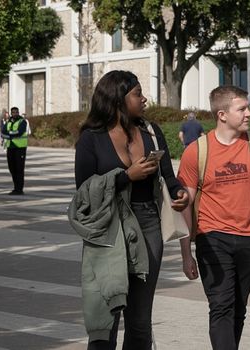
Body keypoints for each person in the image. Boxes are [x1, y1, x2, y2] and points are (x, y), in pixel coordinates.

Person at [75, 70, 189, 350]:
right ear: (117, 99)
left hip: (148, 224)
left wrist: (179, 193)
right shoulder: (91, 138)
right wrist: (127, 176)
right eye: (137, 94)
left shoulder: (151, 132)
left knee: (140, 320)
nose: (144, 99)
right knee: (106, 318)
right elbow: (84, 191)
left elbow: (168, 176)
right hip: (107, 229)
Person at [178, 86, 250, 350]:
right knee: (221, 307)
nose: (249, 113)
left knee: (238, 308)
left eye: (248, 108)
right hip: (212, 239)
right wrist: (185, 252)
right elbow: (184, 205)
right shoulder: (196, 152)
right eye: (242, 109)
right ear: (222, 115)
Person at [2, 107, 28, 195]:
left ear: (18, 112)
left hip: (20, 148)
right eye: (13, 112)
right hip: (10, 147)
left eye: (16, 112)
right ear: (11, 113)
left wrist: (9, 133)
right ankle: (15, 187)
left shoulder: (22, 121)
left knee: (19, 169)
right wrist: (11, 134)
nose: (15, 114)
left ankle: (19, 189)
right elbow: (3, 132)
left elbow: (20, 132)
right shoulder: (9, 122)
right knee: (12, 168)